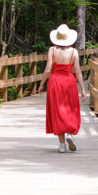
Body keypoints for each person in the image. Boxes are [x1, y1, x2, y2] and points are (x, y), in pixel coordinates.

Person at [37, 24, 87, 153]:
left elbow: (48, 70)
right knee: (70, 108)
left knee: (57, 110)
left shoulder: (52, 50)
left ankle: (62, 145)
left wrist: (42, 83)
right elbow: (78, 71)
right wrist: (82, 88)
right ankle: (70, 133)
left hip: (55, 82)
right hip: (69, 81)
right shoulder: (74, 52)